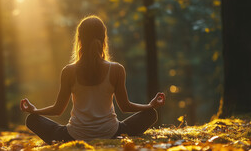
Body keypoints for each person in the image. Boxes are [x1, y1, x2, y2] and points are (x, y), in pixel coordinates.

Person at [20, 15, 165, 144]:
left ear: (79, 40)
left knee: (32, 119)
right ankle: (113, 137)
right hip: (112, 133)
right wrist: (150, 106)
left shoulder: (69, 71)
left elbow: (58, 110)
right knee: (150, 114)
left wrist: (35, 110)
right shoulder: (116, 69)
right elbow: (125, 106)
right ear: (103, 38)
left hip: (74, 136)